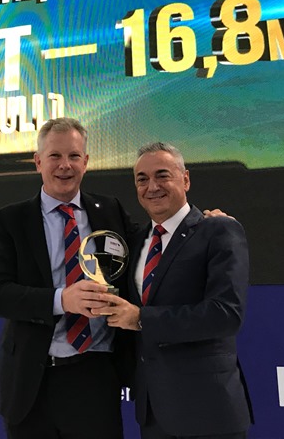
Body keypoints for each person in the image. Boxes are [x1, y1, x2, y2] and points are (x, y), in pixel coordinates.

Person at [0, 118, 137, 439]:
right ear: (38, 161)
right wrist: (62, 300)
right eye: (55, 156)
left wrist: (200, 221)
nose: (65, 165)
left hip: (95, 376)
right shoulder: (10, 221)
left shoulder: (109, 210)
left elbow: (150, 243)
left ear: (86, 162)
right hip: (32, 383)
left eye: (74, 156)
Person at [93, 142, 254, 439]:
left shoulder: (218, 230)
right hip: (153, 414)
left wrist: (140, 319)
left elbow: (226, 315)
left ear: (186, 179)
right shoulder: (136, 241)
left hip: (209, 413)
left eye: (162, 175)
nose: (152, 186)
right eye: (142, 179)